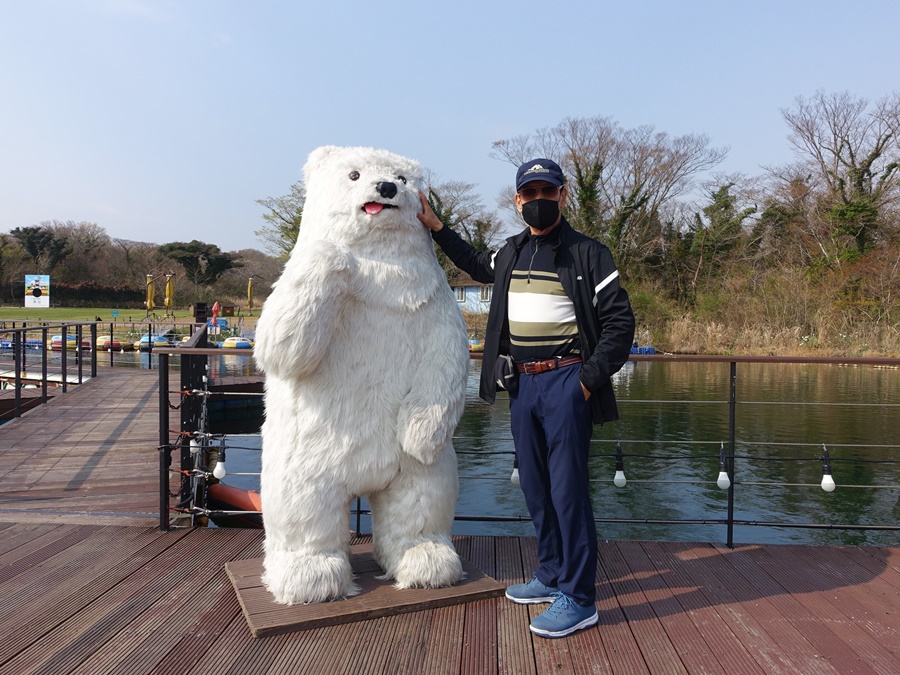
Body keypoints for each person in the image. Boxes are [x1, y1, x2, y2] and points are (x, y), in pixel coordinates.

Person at [418, 158, 635, 638]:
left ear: (562, 196)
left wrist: (586, 381)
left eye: (547, 191)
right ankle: (552, 573)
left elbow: (620, 324)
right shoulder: (511, 252)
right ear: (517, 200)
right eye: (530, 192)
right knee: (536, 487)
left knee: (568, 491)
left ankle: (580, 598)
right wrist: (437, 227)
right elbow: (476, 264)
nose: (538, 200)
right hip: (523, 385)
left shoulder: (588, 253)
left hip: (567, 381)